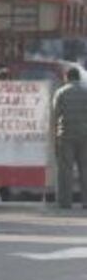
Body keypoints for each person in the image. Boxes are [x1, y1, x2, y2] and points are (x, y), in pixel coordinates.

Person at [52, 67, 87, 209]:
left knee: (65, 170)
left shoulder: (61, 92)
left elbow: (55, 116)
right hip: (85, 136)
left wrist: (54, 138)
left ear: (66, 77)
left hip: (65, 135)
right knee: (85, 168)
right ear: (78, 77)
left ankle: (65, 202)